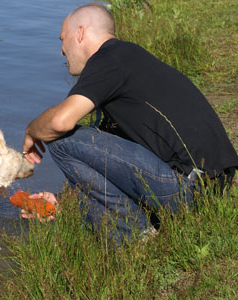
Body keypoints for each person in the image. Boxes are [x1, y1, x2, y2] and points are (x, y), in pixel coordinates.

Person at [22, 4, 238, 241]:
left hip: (188, 189)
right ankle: (140, 231)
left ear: (80, 33)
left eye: (62, 39)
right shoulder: (128, 59)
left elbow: (61, 123)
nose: (62, 51)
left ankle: (137, 238)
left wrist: (32, 130)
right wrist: (61, 202)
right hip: (208, 191)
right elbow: (101, 165)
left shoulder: (109, 58)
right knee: (87, 146)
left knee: (62, 140)